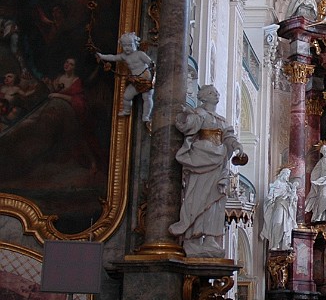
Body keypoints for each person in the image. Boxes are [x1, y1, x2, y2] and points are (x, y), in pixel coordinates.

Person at [169, 85, 246, 258]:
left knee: (215, 202)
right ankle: (193, 239)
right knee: (196, 198)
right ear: (203, 97)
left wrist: (238, 146)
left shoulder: (221, 119)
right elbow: (186, 126)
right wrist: (185, 115)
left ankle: (210, 238)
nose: (217, 94)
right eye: (211, 92)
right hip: (201, 159)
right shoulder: (199, 114)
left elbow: (229, 137)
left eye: (217, 92)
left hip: (218, 161)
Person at [96, 32, 155, 121]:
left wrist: (152, 77)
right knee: (127, 96)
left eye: (130, 45)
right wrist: (102, 56)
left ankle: (146, 116)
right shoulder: (124, 56)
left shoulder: (140, 54)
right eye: (124, 46)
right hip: (135, 80)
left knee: (147, 97)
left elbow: (151, 64)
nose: (127, 48)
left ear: (135, 44)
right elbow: (113, 57)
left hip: (145, 78)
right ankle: (126, 111)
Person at [261, 167, 299, 250]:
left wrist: (293, 191)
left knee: (286, 226)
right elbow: (270, 196)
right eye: (286, 174)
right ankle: (275, 243)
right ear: (282, 174)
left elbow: (294, 199)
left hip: (287, 208)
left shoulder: (289, 186)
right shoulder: (277, 183)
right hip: (279, 206)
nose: (287, 176)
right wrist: (281, 194)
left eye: (288, 175)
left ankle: (285, 244)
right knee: (278, 223)